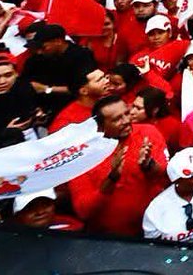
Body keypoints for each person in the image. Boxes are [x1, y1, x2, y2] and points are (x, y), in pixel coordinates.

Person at [69, 94, 170, 237]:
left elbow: (167, 176)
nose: (126, 120)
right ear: (100, 126)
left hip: (154, 230)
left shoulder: (148, 133)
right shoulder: (83, 156)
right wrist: (111, 179)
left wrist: (149, 165)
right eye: (117, 119)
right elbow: (83, 211)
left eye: (126, 113)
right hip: (109, 240)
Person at [11, 189, 83, 232]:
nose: (40, 212)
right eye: (29, 207)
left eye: (46, 203)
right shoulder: (7, 239)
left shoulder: (73, 230)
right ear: (16, 214)